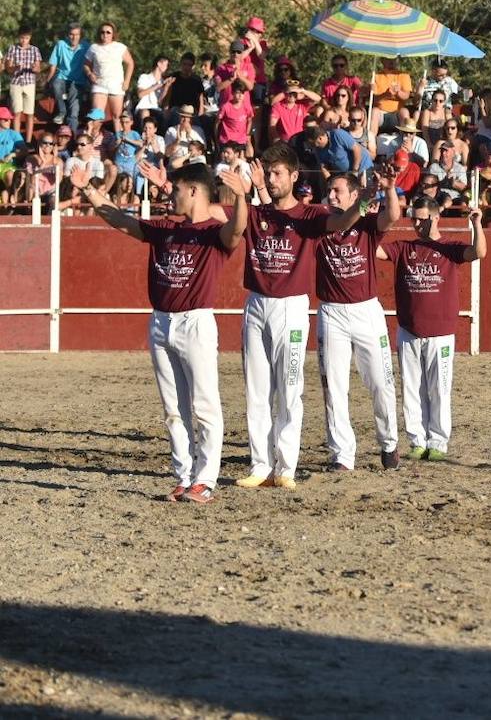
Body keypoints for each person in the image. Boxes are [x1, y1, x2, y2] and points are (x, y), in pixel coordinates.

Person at [70, 160, 247, 504]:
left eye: (177, 188)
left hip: (195, 322)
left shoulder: (213, 231)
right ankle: (183, 476)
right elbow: (122, 221)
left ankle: (205, 479)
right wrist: (89, 190)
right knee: (173, 408)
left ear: (193, 191)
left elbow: (238, 231)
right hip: (162, 321)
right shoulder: (167, 226)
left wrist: (241, 197)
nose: (170, 194)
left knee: (205, 404)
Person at [236, 143, 363, 490]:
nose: (271, 179)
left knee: (290, 388)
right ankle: (260, 465)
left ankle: (286, 468)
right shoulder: (257, 211)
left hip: (291, 307)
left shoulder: (309, 216)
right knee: (256, 390)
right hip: (257, 304)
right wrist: (248, 189)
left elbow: (339, 222)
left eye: (277, 173)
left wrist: (361, 205)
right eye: (267, 172)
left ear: (294, 176)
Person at [377, 198, 486, 460]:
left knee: (439, 389)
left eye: (421, 218)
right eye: (413, 218)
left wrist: (477, 224)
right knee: (411, 388)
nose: (415, 223)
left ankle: (437, 441)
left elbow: (479, 252)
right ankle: (417, 440)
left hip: (440, 332)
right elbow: (374, 251)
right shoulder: (404, 247)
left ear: (435, 218)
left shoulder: (448, 248)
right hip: (409, 329)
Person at [316, 171, 400, 471]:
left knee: (381, 381)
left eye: (337, 190)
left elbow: (392, 215)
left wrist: (389, 190)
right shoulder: (320, 225)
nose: (332, 195)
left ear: (354, 195)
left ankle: (389, 443)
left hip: (366, 311)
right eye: (329, 190)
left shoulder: (366, 225)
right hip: (331, 312)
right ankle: (342, 455)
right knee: (334, 386)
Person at [83, 21, 135, 130]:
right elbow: (86, 65)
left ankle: (119, 141)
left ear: (113, 34)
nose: (105, 35)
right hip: (99, 84)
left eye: (108, 32)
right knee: (96, 115)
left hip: (116, 85)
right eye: (102, 32)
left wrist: (127, 81)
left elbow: (130, 63)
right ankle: (92, 141)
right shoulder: (94, 47)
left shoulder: (120, 47)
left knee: (117, 117)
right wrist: (90, 74)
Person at [45, 22, 90, 132]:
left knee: (74, 110)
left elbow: (92, 64)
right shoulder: (60, 44)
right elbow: (53, 66)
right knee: (55, 83)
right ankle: (61, 111)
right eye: (71, 34)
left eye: (77, 34)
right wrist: (47, 82)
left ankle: (72, 138)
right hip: (63, 78)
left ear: (80, 35)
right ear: (67, 35)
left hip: (78, 81)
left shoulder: (86, 46)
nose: (74, 37)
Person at [4, 24, 42, 144]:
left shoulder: (35, 50)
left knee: (30, 113)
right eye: (22, 38)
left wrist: (35, 68)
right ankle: (17, 140)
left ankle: (29, 141)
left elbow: (38, 68)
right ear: (18, 37)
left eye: (26, 38)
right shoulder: (12, 49)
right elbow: (8, 68)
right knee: (16, 113)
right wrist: (15, 67)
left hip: (29, 83)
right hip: (16, 83)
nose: (24, 41)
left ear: (30, 38)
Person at [306, 124, 372, 181]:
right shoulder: (318, 149)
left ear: (320, 138)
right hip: (345, 175)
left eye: (312, 144)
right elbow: (323, 166)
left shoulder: (338, 134)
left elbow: (357, 149)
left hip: (362, 166)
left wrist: (354, 172)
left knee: (365, 192)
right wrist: (330, 180)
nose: (312, 146)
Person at [371, 58, 412, 133]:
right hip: (381, 113)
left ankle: (406, 140)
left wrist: (398, 92)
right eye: (388, 59)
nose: (391, 61)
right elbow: (373, 99)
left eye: (394, 59)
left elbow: (406, 96)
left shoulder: (404, 75)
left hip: (397, 113)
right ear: (382, 61)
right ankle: (371, 141)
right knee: (374, 111)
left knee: (404, 112)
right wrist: (385, 95)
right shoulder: (376, 76)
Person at [163, 52, 205, 123]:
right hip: (176, 109)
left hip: (191, 110)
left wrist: (201, 113)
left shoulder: (196, 80)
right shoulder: (174, 77)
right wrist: (166, 109)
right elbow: (168, 95)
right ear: (181, 64)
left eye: (189, 65)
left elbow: (200, 97)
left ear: (193, 66)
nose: (186, 67)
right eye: (184, 64)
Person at [216, 80, 254, 148]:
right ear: (232, 93)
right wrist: (217, 138)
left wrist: (247, 134)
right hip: (227, 140)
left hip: (241, 140)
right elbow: (217, 123)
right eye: (238, 93)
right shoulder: (225, 107)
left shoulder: (247, 107)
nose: (240, 96)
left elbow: (249, 120)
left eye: (242, 93)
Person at [135, 54, 170, 121]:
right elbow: (140, 94)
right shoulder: (144, 77)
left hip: (156, 108)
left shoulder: (163, 81)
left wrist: (166, 88)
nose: (166, 67)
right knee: (145, 113)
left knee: (165, 114)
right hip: (143, 107)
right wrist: (156, 86)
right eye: (166, 65)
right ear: (159, 63)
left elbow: (159, 102)